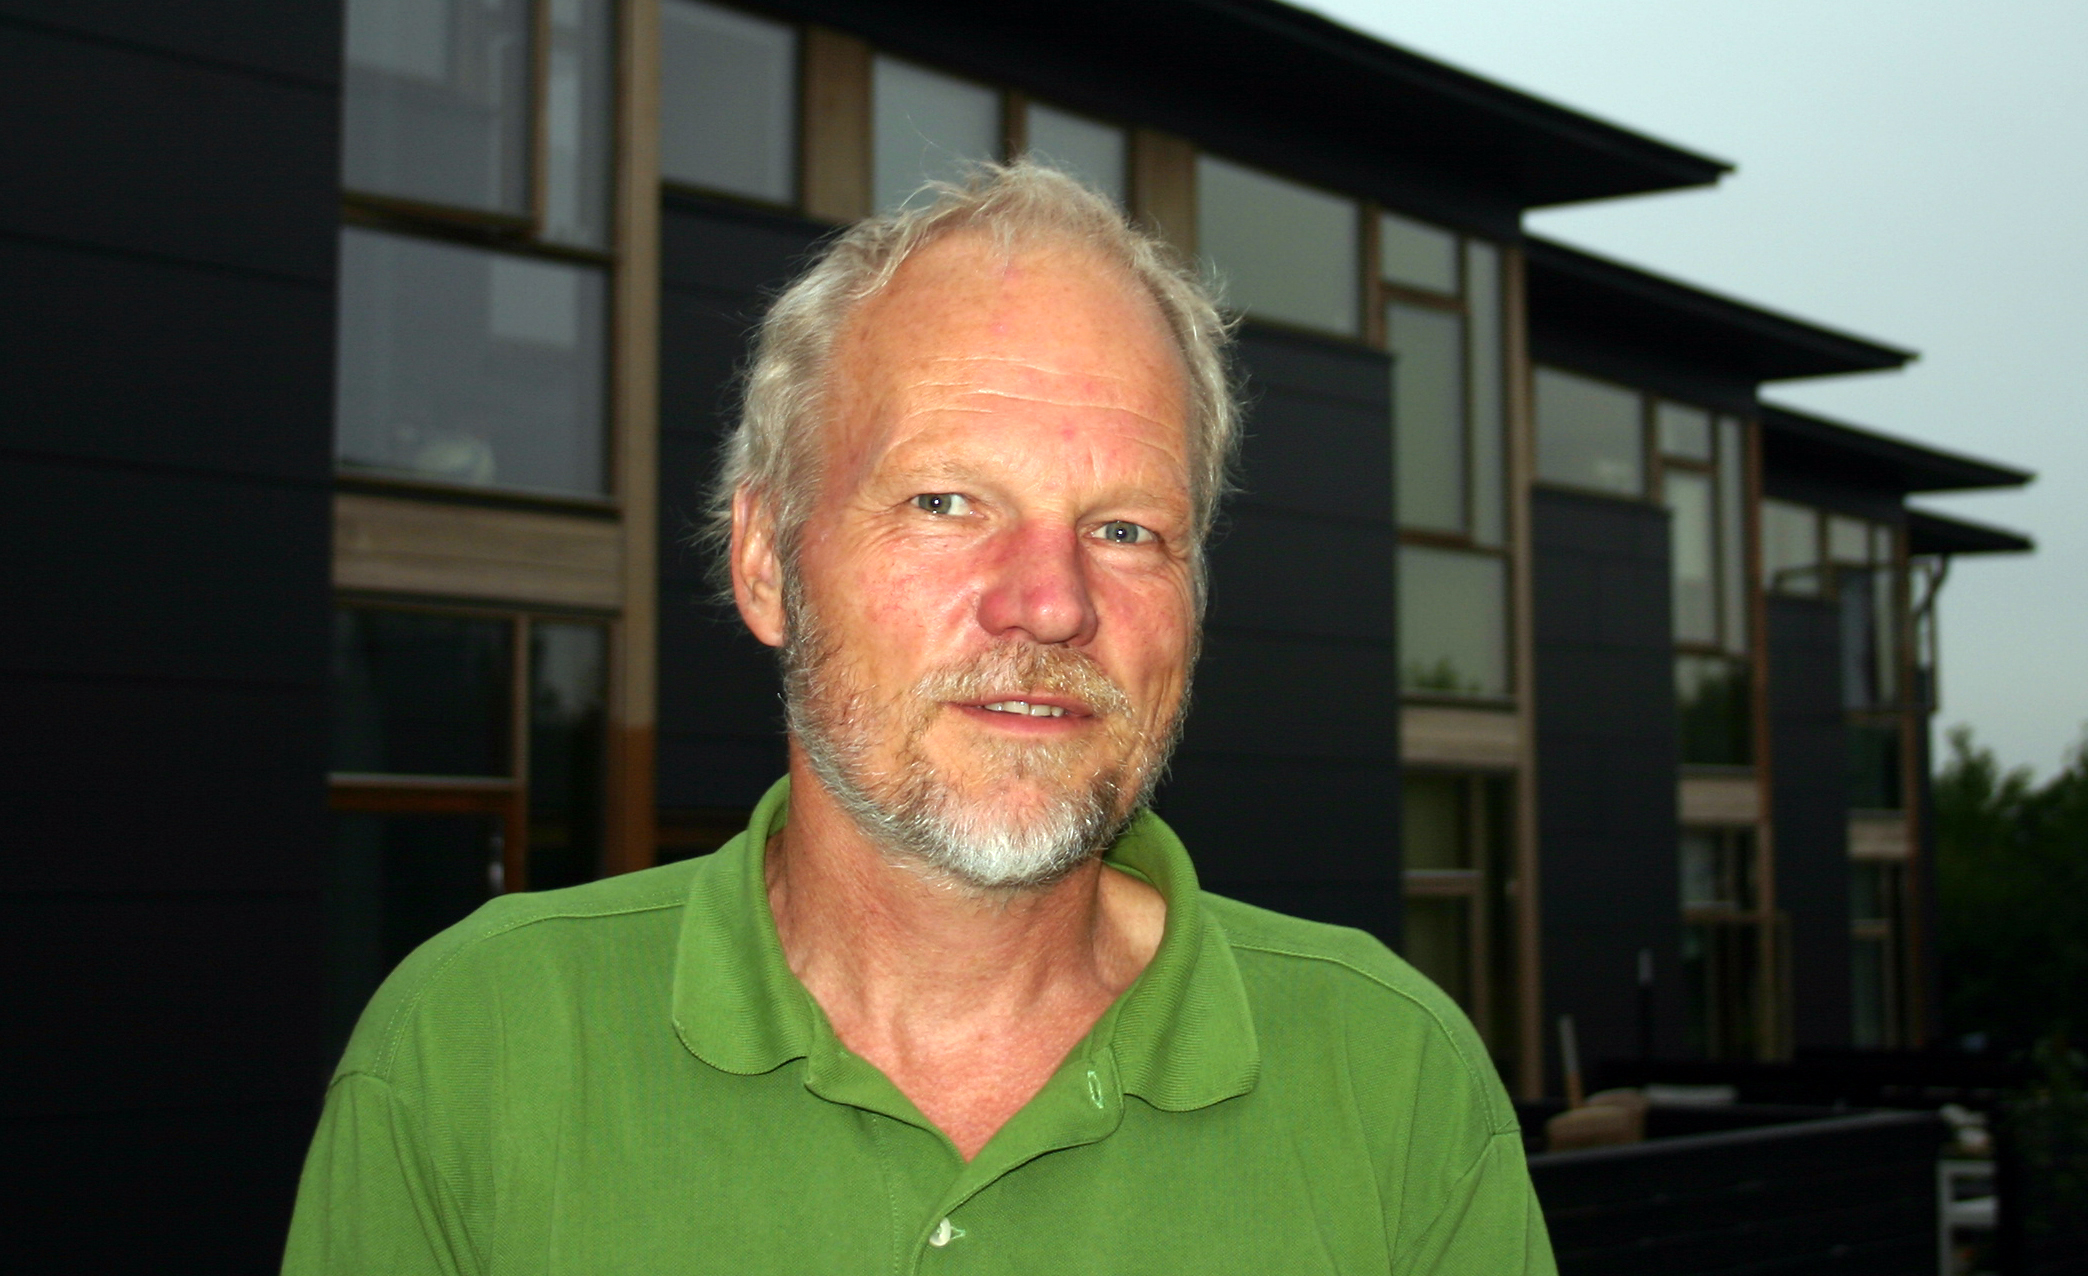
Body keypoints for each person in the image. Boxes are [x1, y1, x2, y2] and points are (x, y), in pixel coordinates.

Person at [283, 162, 1555, 1274]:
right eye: (946, 502)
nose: (1051, 602)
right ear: (767, 562)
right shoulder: (475, 1049)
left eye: (1126, 528)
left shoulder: (1395, 1082)